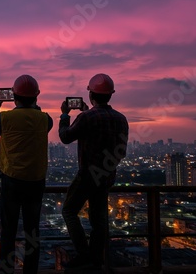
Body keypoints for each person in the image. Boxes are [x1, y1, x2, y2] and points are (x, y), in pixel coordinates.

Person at [0, 74, 53, 274]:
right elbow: (37, 118)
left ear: (14, 96)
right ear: (37, 96)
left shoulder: (5, 118)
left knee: (9, 231)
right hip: (36, 182)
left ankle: (6, 271)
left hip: (11, 181)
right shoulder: (46, 120)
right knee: (32, 231)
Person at [58, 73, 129, 270]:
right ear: (110, 95)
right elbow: (121, 151)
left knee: (69, 210)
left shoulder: (87, 117)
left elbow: (65, 137)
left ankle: (84, 254)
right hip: (107, 176)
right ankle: (97, 258)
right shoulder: (121, 119)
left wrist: (65, 115)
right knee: (99, 219)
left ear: (90, 94)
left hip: (88, 175)